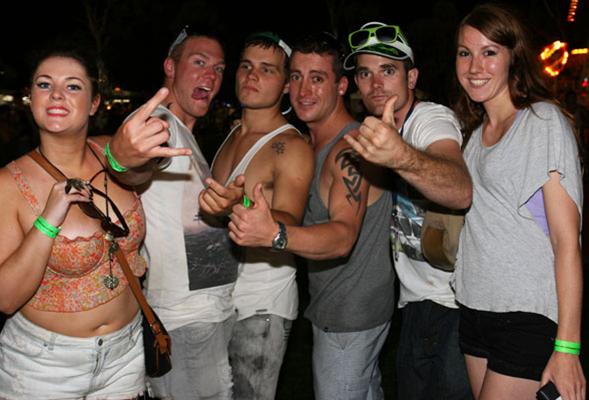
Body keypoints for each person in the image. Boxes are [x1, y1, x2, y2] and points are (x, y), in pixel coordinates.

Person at [229, 32, 396, 400]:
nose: (303, 90)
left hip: (350, 318)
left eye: (317, 78)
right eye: (296, 76)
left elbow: (342, 236)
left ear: (341, 86)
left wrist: (274, 234)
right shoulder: (311, 144)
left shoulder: (349, 150)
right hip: (341, 309)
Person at [453, 4, 586, 399]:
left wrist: (568, 348)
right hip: (474, 307)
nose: (475, 66)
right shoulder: (473, 134)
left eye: (489, 52)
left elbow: (567, 241)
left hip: (527, 314)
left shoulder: (542, 122)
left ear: (514, 57)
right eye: (465, 53)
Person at [0, 42, 147, 399]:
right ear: (30, 98)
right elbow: (6, 298)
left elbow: (144, 169)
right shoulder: (8, 183)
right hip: (43, 367)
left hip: (126, 355)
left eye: (73, 86)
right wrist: (48, 220)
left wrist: (139, 160)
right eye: (44, 84)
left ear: (95, 102)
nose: (56, 94)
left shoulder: (112, 152)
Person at [106, 26, 240, 400]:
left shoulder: (184, 131)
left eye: (218, 68)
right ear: (170, 67)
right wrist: (122, 159)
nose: (210, 76)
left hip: (207, 313)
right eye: (199, 63)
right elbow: (133, 168)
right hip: (185, 318)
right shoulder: (160, 124)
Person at [343, 22, 473, 399]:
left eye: (388, 70)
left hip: (453, 305)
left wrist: (399, 156)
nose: (375, 84)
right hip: (415, 304)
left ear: (411, 77)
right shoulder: (380, 133)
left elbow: (459, 188)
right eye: (365, 73)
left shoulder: (429, 120)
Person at [199, 32, 314, 400]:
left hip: (262, 304)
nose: (252, 75)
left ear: (286, 84)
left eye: (267, 70)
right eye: (246, 66)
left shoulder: (291, 146)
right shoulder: (233, 132)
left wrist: (239, 204)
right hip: (219, 299)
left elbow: (291, 221)